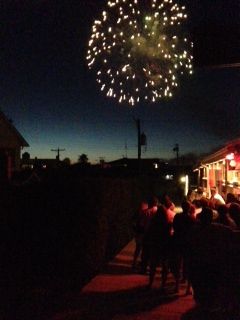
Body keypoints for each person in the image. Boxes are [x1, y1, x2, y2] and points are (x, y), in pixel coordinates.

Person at [146, 204, 171, 290]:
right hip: (164, 245)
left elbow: (149, 232)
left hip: (155, 244)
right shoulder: (167, 223)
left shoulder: (154, 222)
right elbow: (169, 234)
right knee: (164, 266)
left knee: (153, 265)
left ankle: (150, 282)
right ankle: (163, 284)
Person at [132, 200, 149, 269]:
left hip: (139, 233)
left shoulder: (139, 214)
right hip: (141, 233)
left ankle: (135, 262)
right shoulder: (143, 214)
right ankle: (137, 263)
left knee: (138, 248)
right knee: (141, 248)